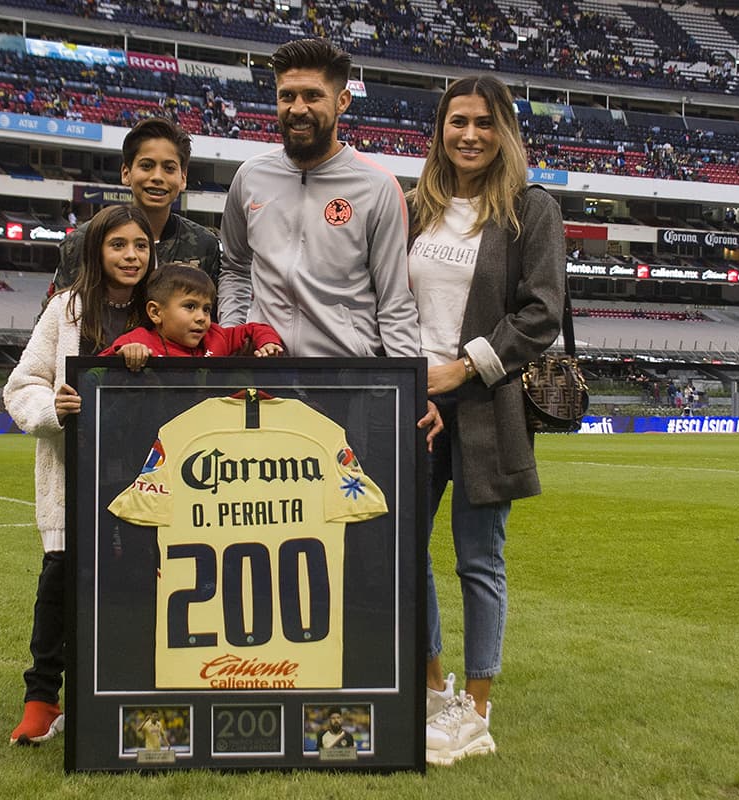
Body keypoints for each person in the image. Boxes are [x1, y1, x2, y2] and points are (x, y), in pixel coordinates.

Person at [407, 75, 564, 766]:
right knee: (403, 548)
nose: (469, 134)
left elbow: (541, 313)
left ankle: (476, 707)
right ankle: (434, 689)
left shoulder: (531, 210)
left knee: (479, 559)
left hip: (483, 404)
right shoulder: (416, 208)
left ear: (504, 131)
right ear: (439, 129)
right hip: (413, 404)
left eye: (484, 121)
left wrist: (463, 367)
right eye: (456, 121)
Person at [3, 204, 157, 746]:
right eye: (118, 245)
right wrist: (55, 407)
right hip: (77, 474)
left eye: (140, 245)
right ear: (96, 251)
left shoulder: (160, 309)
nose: (131, 256)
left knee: (143, 586)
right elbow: (21, 386)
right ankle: (42, 698)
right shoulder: (66, 309)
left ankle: (127, 689)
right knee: (60, 585)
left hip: (148, 478)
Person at [217, 37, 420, 359]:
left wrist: (410, 387)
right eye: (287, 96)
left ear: (342, 101)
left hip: (345, 378)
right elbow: (236, 268)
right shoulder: (250, 176)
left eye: (313, 96)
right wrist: (232, 336)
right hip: (265, 370)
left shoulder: (377, 187)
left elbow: (394, 300)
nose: (298, 109)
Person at [46, 117, 220, 309]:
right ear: (126, 173)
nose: (157, 177)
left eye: (169, 168)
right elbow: (52, 322)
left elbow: (209, 323)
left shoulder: (204, 245)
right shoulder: (84, 240)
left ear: (183, 178)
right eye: (146, 166)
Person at [99, 264, 284, 364]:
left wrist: (268, 343)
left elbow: (256, 329)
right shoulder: (138, 341)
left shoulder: (216, 336)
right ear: (155, 313)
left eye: (206, 309)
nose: (201, 317)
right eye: (190, 306)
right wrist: (127, 354)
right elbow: (96, 370)